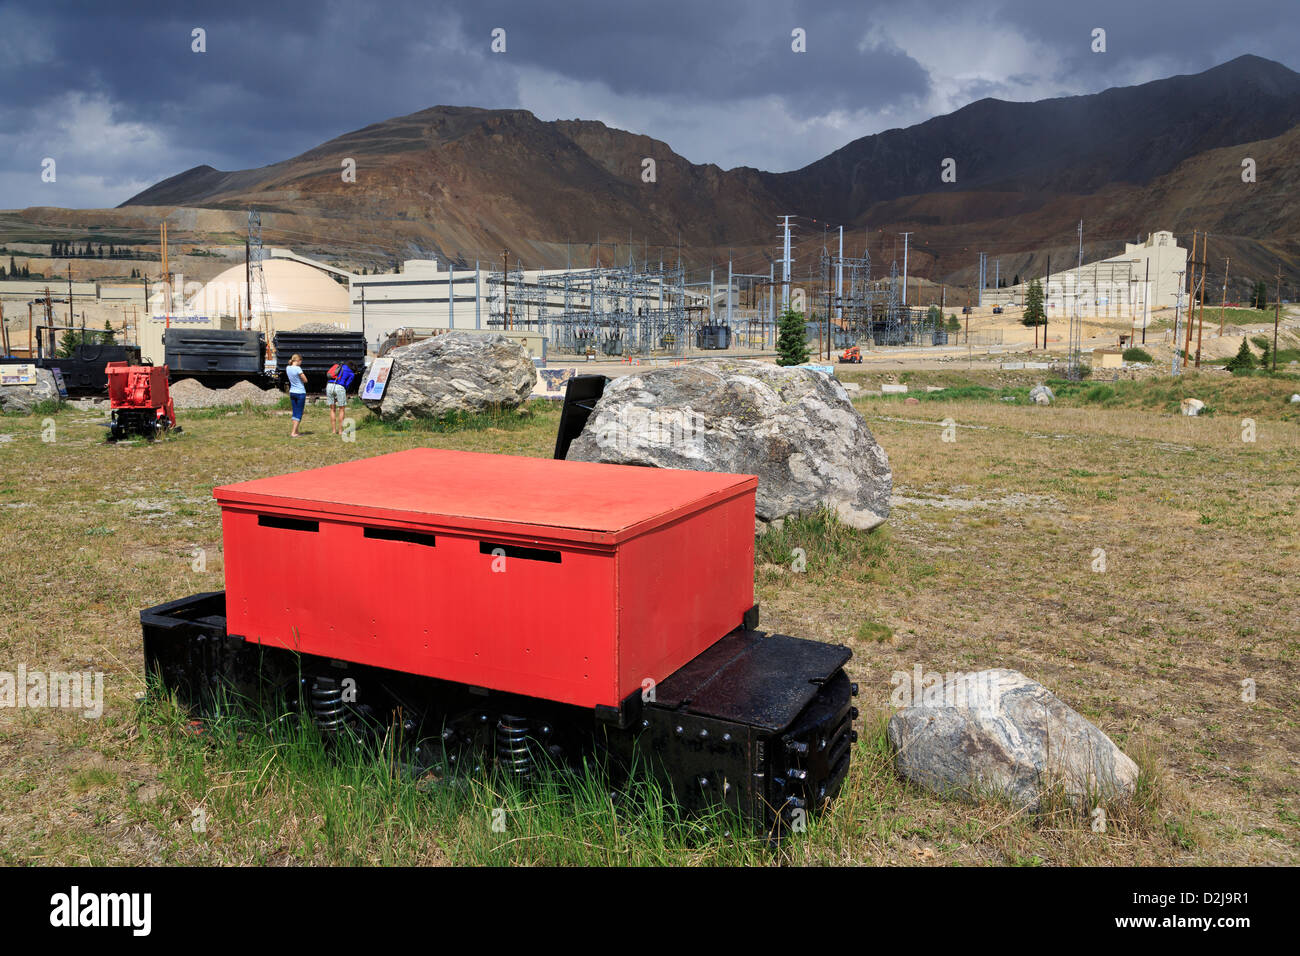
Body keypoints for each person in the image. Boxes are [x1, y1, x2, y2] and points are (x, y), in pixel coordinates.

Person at [285, 354, 307, 437]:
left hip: (292, 392)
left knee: (295, 412)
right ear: (298, 360)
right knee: (299, 413)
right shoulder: (298, 368)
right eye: (301, 361)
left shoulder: (288, 368)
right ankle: (293, 432)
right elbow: (305, 380)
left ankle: (296, 431)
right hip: (300, 392)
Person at [324, 363, 347, 435]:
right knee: (341, 409)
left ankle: (334, 431)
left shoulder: (335, 367)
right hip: (339, 387)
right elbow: (346, 383)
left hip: (329, 386)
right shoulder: (347, 370)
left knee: (332, 409)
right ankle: (340, 431)